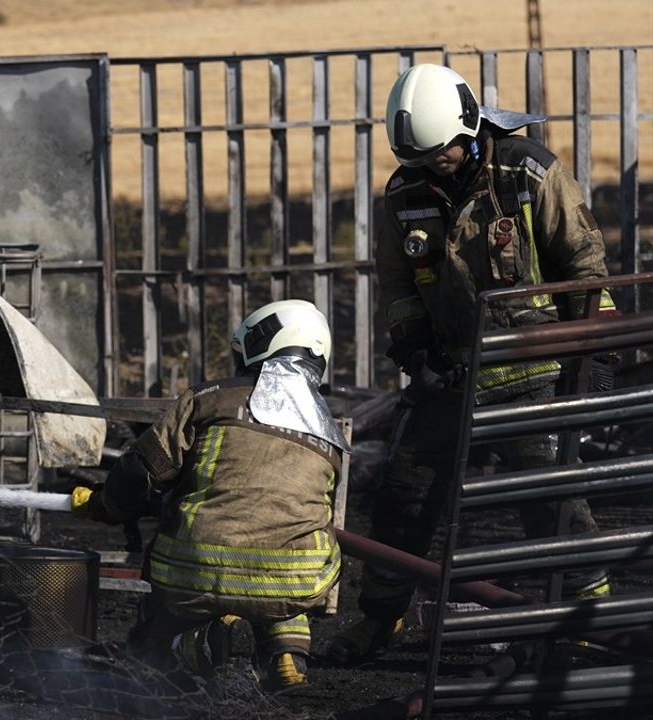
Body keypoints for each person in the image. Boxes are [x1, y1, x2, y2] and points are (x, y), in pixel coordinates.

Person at [327, 63, 613, 665]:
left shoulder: (529, 171)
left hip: (532, 370)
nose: (436, 163)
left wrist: (594, 350)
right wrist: (410, 346)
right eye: (422, 156)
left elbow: (585, 266)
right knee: (403, 498)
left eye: (443, 150)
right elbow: (400, 283)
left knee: (551, 498)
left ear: (468, 125)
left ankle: (594, 621)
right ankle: (379, 620)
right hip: (450, 374)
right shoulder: (404, 193)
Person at [75, 299, 350, 692]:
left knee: (153, 643)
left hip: (196, 571)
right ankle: (288, 651)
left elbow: (141, 471)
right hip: (296, 581)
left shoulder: (208, 399)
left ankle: (196, 643)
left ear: (263, 344)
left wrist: (103, 505)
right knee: (281, 564)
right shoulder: (330, 433)